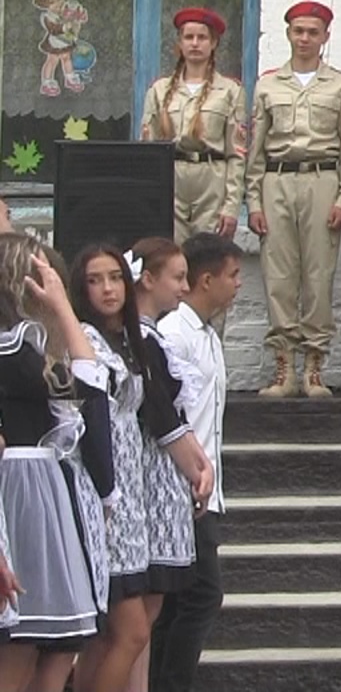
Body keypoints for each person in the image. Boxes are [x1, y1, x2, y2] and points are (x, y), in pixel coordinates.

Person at [68, 246, 211, 692]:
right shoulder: (85, 339)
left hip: (135, 498)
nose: (108, 289)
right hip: (107, 495)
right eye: (95, 280)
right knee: (130, 632)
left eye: (115, 278)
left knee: (117, 636)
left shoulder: (131, 339)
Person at [0, 235, 112, 692]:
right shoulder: (12, 348)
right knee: (23, 643)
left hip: (46, 487)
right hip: (20, 491)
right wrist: (63, 308)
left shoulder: (34, 345)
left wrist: (62, 311)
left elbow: (91, 388)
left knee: (59, 641)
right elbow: (87, 388)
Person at [242, 1, 341, 398]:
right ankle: (284, 367)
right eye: (298, 31)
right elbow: (255, 149)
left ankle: (313, 366)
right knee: (278, 276)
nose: (305, 38)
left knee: (319, 276)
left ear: (325, 36)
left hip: (322, 179)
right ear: (288, 33)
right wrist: (254, 202)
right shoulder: (268, 85)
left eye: (313, 32)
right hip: (276, 180)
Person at [149, 232, 243, 692]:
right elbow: (168, 413)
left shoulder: (207, 335)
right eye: (233, 275)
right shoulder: (173, 334)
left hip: (205, 486)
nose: (238, 284)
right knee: (203, 593)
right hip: (183, 485)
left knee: (178, 600)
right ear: (207, 280)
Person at [140, 8, 245, 242]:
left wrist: (231, 207)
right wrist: (150, 199)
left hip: (211, 180)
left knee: (208, 253)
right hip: (171, 180)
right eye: (189, 37)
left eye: (202, 37)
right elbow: (148, 151)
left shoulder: (230, 91)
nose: (195, 43)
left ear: (213, 43)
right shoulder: (159, 90)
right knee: (171, 252)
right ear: (180, 42)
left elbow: (237, 155)